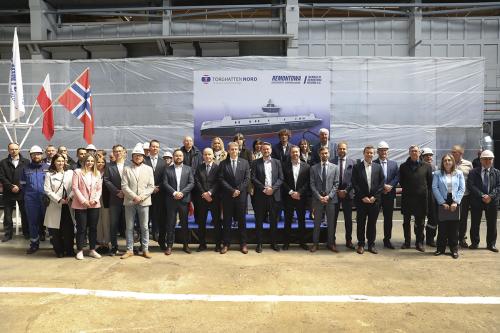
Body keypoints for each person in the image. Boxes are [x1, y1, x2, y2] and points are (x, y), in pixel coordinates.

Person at [120, 143, 155, 259]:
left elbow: (151, 186)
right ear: (132, 156)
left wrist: (141, 197)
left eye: (140, 155)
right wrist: (134, 196)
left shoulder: (149, 169)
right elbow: (124, 186)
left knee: (144, 227)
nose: (138, 157)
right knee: (129, 227)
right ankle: (129, 250)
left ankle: (145, 249)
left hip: (144, 202)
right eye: (135, 155)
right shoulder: (126, 169)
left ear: (143, 157)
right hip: (130, 202)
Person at [218, 142, 251, 254]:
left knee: (242, 220)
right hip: (228, 196)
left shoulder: (245, 163)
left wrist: (238, 190)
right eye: (232, 149)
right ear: (228, 150)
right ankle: (226, 244)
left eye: (236, 149)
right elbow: (221, 179)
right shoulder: (223, 164)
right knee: (227, 221)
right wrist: (232, 190)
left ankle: (243, 243)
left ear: (238, 150)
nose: (234, 151)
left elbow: (247, 179)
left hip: (241, 196)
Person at [399, 145, 433, 252]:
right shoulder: (403, 166)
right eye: (412, 151)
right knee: (406, 222)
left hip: (421, 199)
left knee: (420, 222)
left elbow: (429, 182)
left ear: (419, 153)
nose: (414, 153)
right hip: (407, 198)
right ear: (409, 153)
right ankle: (407, 242)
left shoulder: (427, 166)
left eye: (416, 151)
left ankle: (419, 243)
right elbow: (401, 181)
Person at [352, 145, 385, 254]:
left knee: (372, 223)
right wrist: (363, 197)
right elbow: (355, 183)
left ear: (374, 154)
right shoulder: (357, 167)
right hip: (361, 201)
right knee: (361, 223)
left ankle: (371, 244)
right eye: (367, 153)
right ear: (364, 153)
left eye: (371, 153)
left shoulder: (378, 167)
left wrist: (374, 197)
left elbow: (381, 183)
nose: (369, 154)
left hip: (374, 201)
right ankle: (361, 244)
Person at [252, 142, 283, 252]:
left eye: (268, 149)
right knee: (259, 220)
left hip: (274, 195)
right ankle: (259, 243)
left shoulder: (277, 162)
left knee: (274, 220)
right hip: (260, 195)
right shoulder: (255, 163)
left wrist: (273, 189)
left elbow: (281, 178)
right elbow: (253, 178)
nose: (266, 151)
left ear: (271, 150)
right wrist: (264, 188)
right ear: (261, 151)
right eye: (264, 149)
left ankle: (273, 243)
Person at [432, 154, 465, 259]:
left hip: (455, 201)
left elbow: (462, 188)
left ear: (453, 162)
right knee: (442, 226)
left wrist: (456, 202)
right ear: (442, 162)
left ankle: (454, 249)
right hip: (443, 201)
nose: (447, 162)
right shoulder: (437, 174)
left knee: (454, 227)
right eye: (445, 160)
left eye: (449, 160)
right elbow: (435, 187)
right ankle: (440, 249)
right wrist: (442, 202)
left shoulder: (459, 173)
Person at [162, 149, 194, 255]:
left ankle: (186, 245)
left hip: (184, 200)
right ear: (173, 157)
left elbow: (191, 183)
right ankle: (169, 246)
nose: (178, 157)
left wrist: (182, 193)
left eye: (180, 156)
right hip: (171, 200)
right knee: (170, 223)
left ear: (183, 157)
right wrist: (174, 193)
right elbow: (165, 183)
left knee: (184, 224)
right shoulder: (167, 169)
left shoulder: (189, 169)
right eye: (176, 156)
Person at [43, 153, 75, 258]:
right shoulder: (49, 174)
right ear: (54, 162)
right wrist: (58, 199)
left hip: (68, 204)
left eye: (62, 161)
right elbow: (47, 190)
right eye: (58, 161)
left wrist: (69, 197)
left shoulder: (71, 173)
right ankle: (59, 250)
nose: (61, 163)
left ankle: (69, 250)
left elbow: (75, 186)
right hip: (55, 205)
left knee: (68, 230)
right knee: (55, 230)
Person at [72, 153, 103, 260]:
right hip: (81, 205)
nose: (90, 163)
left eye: (92, 161)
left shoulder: (97, 173)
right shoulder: (77, 172)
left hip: (94, 205)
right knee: (81, 228)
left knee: (93, 228)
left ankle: (92, 250)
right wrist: (83, 200)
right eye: (88, 161)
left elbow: (99, 189)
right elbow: (75, 188)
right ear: (83, 161)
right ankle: (80, 250)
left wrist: (95, 199)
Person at [467, 150, 499, 252]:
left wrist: (490, 196)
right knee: (475, 223)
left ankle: (491, 244)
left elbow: (499, 186)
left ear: (493, 160)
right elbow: (471, 185)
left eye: (490, 159)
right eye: (485, 159)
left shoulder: (497, 173)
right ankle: (475, 243)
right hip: (477, 201)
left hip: (492, 201)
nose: (487, 161)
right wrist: (482, 195)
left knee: (492, 224)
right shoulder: (473, 172)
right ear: (481, 160)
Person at [309, 147, 339, 252]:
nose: (324, 155)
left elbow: (336, 184)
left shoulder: (335, 168)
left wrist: (329, 196)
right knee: (316, 223)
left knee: (331, 223)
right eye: (322, 153)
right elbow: (312, 185)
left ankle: (330, 244)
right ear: (319, 154)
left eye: (326, 153)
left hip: (331, 200)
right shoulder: (313, 168)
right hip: (318, 200)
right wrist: (319, 197)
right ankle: (315, 244)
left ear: (329, 154)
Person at [20, 145, 49, 254]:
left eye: (38, 154)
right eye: (34, 154)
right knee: (33, 222)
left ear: (42, 154)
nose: (36, 155)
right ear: (30, 155)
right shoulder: (25, 168)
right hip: (31, 200)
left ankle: (55, 243)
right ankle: (34, 244)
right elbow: (22, 184)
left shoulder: (48, 167)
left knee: (50, 222)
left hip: (46, 199)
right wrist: (28, 195)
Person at [281, 145, 310, 251]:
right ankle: (286, 242)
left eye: (297, 152)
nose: (295, 154)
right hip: (288, 197)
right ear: (290, 153)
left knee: (302, 220)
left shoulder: (306, 166)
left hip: (301, 198)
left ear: (299, 152)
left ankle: (302, 242)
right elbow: (282, 181)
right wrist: (291, 192)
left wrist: (299, 193)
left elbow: (308, 182)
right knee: (287, 220)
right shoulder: (284, 166)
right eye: (293, 152)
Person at [0, 142, 29, 241]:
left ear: (19, 149)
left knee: (25, 214)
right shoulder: (3, 162)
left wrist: (19, 186)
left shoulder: (26, 162)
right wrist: (11, 186)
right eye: (12, 149)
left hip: (22, 192)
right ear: (8, 150)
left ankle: (26, 233)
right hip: (8, 192)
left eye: (16, 149)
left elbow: (27, 176)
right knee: (7, 216)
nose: (14, 151)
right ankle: (8, 234)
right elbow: (1, 177)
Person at [373, 141, 399, 249]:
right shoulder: (373, 163)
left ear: (388, 151)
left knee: (388, 219)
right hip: (377, 195)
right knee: (373, 218)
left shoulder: (393, 164)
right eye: (381, 150)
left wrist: (391, 186)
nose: (383, 152)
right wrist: (382, 187)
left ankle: (387, 240)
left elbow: (397, 177)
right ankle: (371, 240)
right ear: (377, 152)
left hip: (389, 195)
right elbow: (372, 179)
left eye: (385, 150)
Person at [194, 148, 221, 252]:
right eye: (205, 154)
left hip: (214, 198)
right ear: (203, 156)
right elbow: (197, 181)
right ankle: (202, 244)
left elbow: (219, 182)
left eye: (209, 154)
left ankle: (218, 244)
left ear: (213, 155)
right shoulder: (199, 168)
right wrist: (204, 193)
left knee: (217, 222)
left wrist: (210, 193)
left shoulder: (217, 167)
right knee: (201, 222)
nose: (207, 156)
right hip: (201, 198)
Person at [103, 144, 127, 256]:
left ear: (124, 152)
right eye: (115, 151)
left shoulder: (130, 165)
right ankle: (114, 246)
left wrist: (126, 193)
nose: (118, 153)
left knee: (128, 224)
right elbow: (106, 180)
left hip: (129, 199)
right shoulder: (109, 166)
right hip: (115, 199)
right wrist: (117, 192)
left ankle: (129, 246)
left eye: (119, 151)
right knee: (113, 224)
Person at [332, 141, 355, 249]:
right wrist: (336, 191)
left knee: (348, 219)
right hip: (334, 195)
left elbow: (354, 180)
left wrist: (345, 190)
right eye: (340, 149)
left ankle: (349, 240)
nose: (342, 150)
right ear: (337, 150)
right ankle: (332, 241)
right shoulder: (332, 162)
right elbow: (330, 179)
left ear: (347, 150)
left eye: (344, 149)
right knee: (333, 219)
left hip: (348, 195)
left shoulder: (353, 162)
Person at [451, 145, 474, 249]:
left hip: (465, 196)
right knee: (451, 218)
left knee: (463, 218)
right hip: (451, 195)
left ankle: (462, 238)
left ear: (461, 153)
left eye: (454, 152)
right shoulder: (448, 162)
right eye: (452, 152)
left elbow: (472, 179)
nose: (452, 153)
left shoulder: (468, 164)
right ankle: (451, 238)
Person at [144, 139, 166, 242]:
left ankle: (158, 237)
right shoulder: (144, 160)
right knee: (145, 218)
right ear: (149, 148)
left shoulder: (163, 162)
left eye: (157, 146)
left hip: (159, 193)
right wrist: (150, 189)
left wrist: (159, 187)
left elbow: (165, 178)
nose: (155, 148)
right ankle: (144, 241)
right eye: (153, 146)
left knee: (158, 216)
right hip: (146, 194)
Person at [421, 148, 438, 247]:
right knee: (420, 219)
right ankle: (420, 238)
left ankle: (430, 239)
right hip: (421, 196)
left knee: (433, 218)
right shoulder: (419, 167)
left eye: (430, 155)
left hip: (433, 196)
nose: (429, 157)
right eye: (426, 155)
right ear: (422, 157)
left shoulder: (436, 168)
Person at [95, 154, 110, 254]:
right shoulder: (92, 173)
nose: (100, 164)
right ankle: (100, 242)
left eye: (102, 162)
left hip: (105, 199)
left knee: (106, 221)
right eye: (98, 162)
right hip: (94, 200)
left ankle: (107, 243)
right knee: (97, 222)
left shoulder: (108, 173)